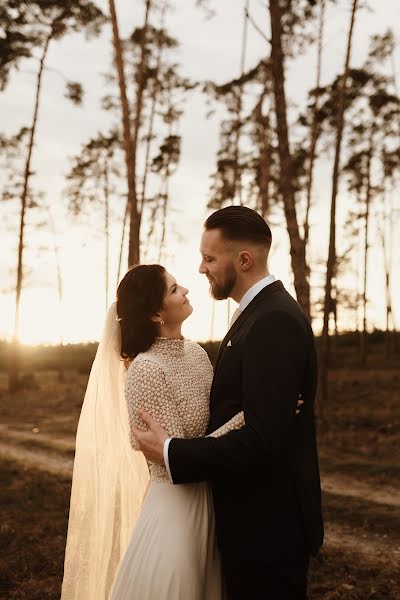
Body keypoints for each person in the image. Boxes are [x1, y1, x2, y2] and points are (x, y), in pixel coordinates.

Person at [133, 206, 324, 600]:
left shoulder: (273, 320)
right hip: (245, 522)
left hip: (267, 527)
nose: (201, 269)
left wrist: (173, 453)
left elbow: (263, 439)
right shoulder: (254, 314)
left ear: (244, 260)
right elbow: (250, 413)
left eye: (209, 258)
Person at [62, 263, 246, 600]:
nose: (186, 290)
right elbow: (171, 460)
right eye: (174, 289)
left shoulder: (197, 353)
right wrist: (251, 419)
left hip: (214, 501)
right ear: (155, 315)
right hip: (176, 511)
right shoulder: (146, 371)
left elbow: (212, 427)